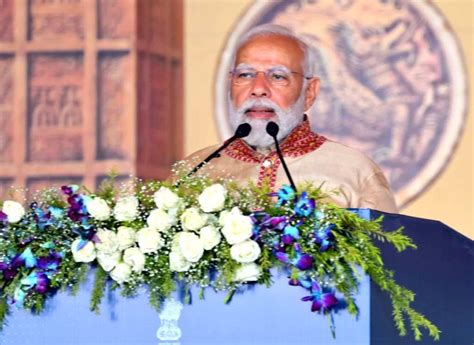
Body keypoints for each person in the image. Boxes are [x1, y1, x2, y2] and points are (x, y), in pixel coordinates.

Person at [182, 24, 397, 213]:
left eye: (277, 76)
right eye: (245, 75)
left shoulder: (356, 172)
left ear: (309, 92)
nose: (258, 89)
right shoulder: (193, 170)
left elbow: (390, 256)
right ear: (230, 85)